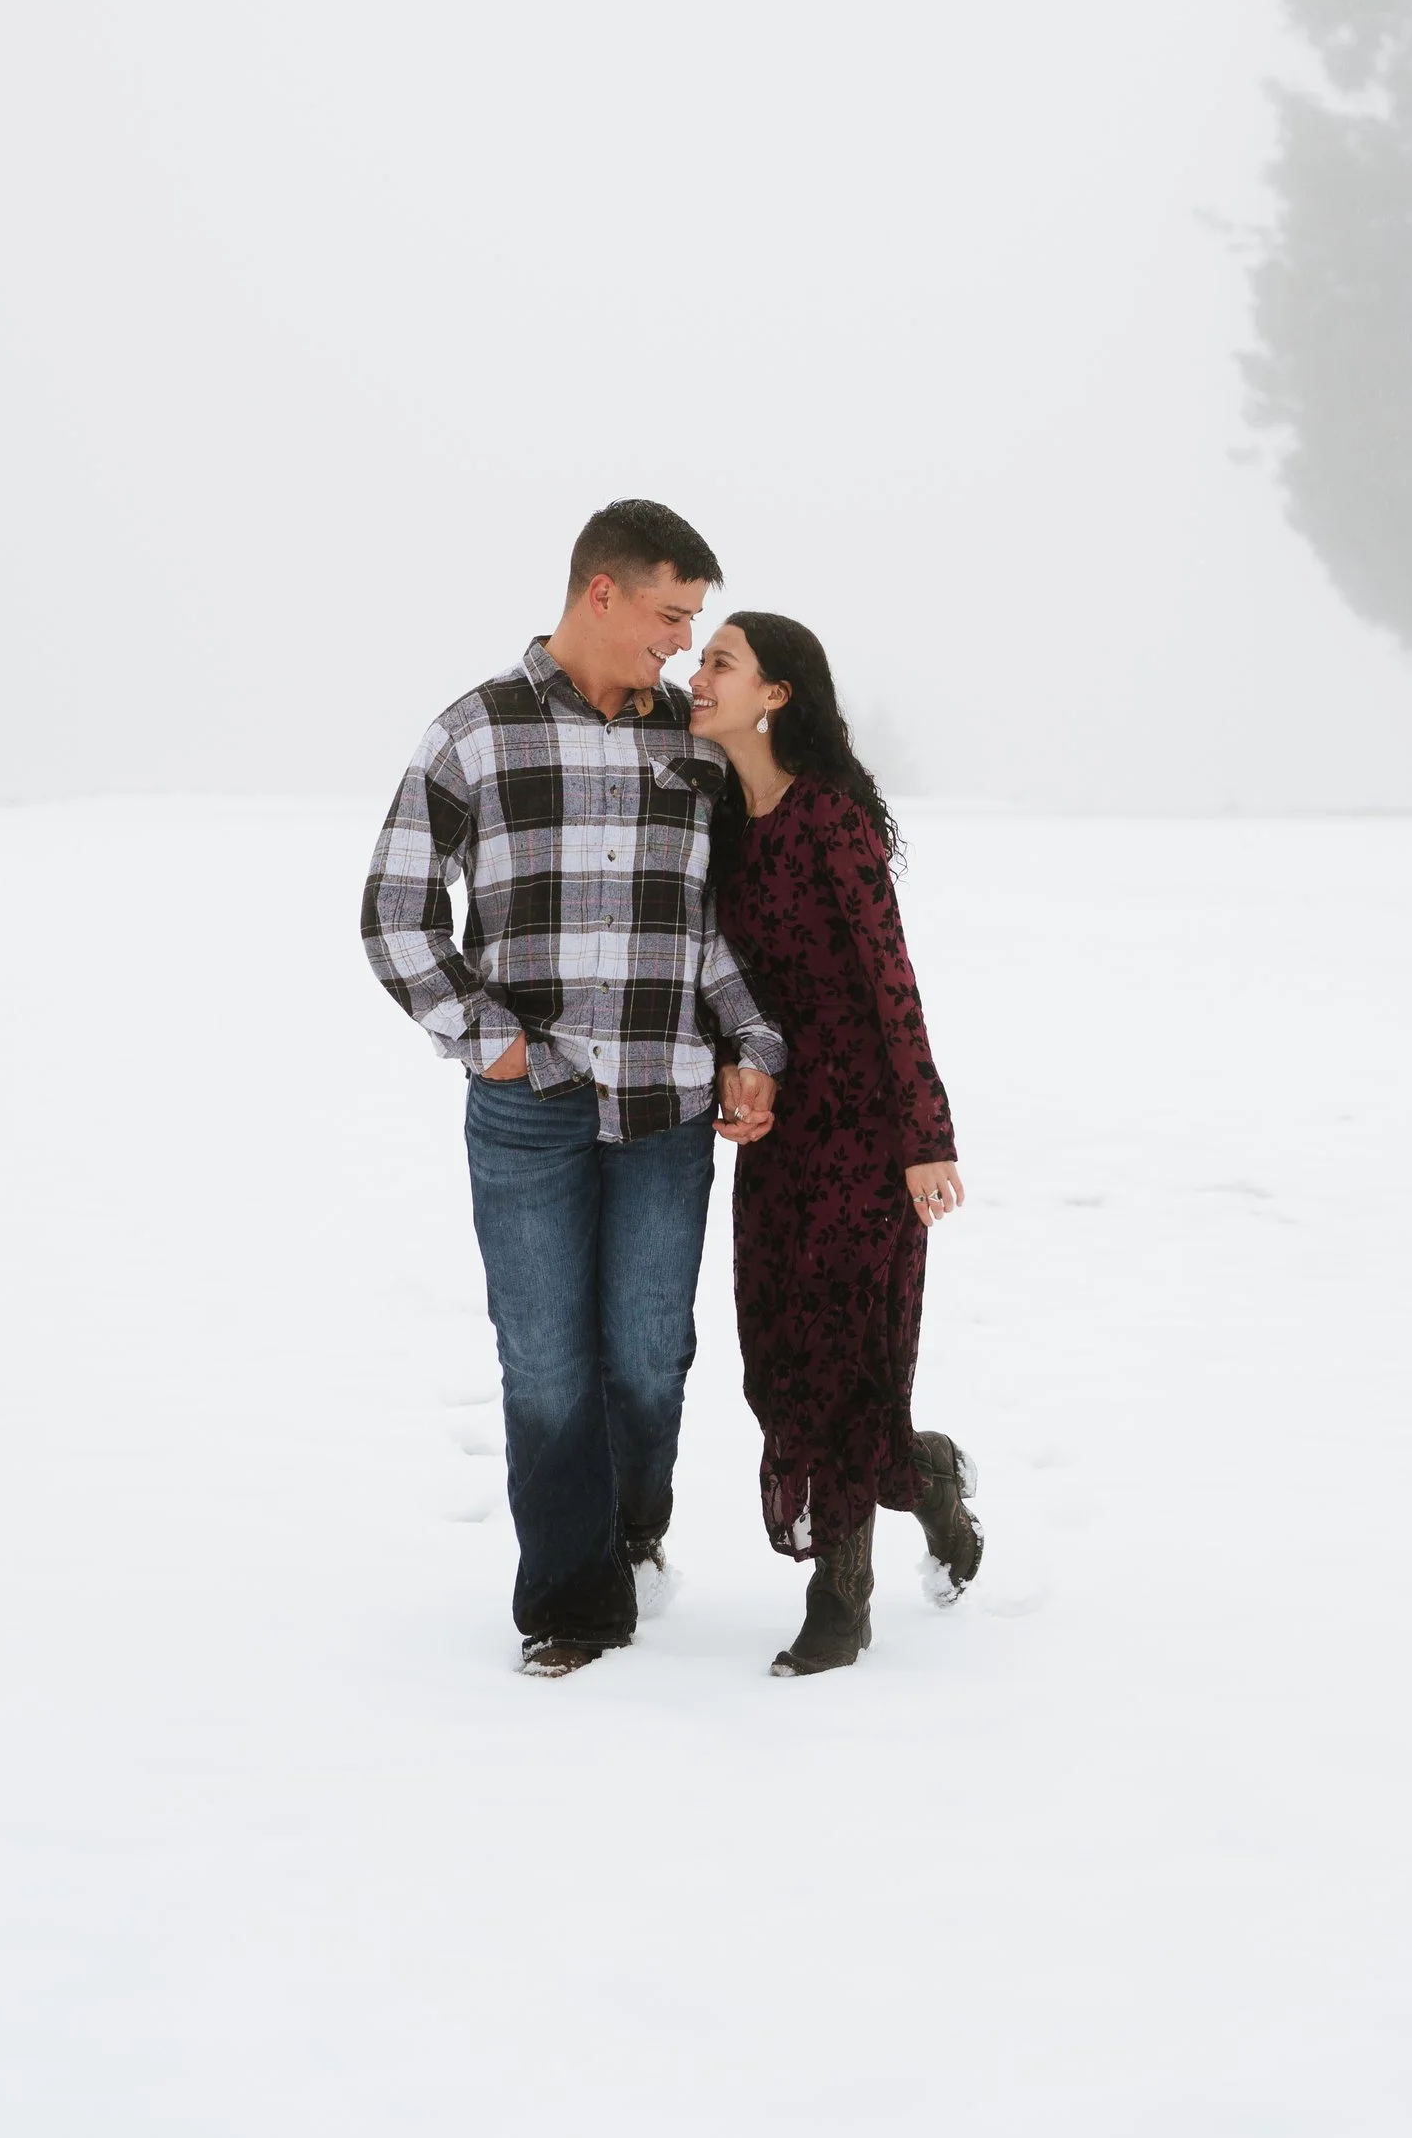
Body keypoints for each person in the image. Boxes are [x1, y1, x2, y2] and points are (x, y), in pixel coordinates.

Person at [360, 501, 785, 1678]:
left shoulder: (691, 751)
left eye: (694, 623)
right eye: (667, 615)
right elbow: (394, 912)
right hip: (528, 1110)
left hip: (669, 1106)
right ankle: (572, 1601)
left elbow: (716, 935)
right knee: (544, 1358)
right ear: (599, 592)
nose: (681, 645)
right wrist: (495, 1044)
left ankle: (631, 1532)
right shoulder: (473, 734)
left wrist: (751, 1040)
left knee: (649, 1353)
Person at [689, 611, 983, 1676]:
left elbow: (890, 980)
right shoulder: (725, 822)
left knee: (848, 1365)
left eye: (719, 662)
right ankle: (929, 1474)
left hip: (867, 1129)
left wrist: (925, 1135)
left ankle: (840, 1601)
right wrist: (740, 1068)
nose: (696, 673)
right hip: (779, 1132)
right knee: (778, 1367)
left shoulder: (831, 821)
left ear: (774, 695)